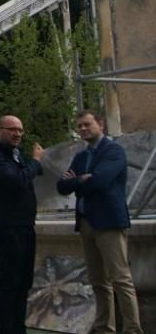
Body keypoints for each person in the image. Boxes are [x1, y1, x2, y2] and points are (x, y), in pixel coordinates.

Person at [57, 110, 142, 334]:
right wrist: (81, 179)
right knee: (98, 281)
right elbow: (61, 186)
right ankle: (105, 327)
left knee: (121, 279)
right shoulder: (81, 156)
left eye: (87, 125)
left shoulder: (114, 151)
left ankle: (132, 329)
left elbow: (101, 182)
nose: (83, 129)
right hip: (86, 223)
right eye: (80, 127)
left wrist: (77, 181)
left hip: (109, 222)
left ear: (100, 125)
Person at [0, 115, 44, 334]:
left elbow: (25, 176)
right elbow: (17, 180)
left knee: (23, 282)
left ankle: (18, 328)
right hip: (9, 227)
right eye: (12, 129)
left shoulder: (16, 155)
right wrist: (35, 162)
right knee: (10, 281)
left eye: (20, 130)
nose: (17, 134)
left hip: (25, 225)